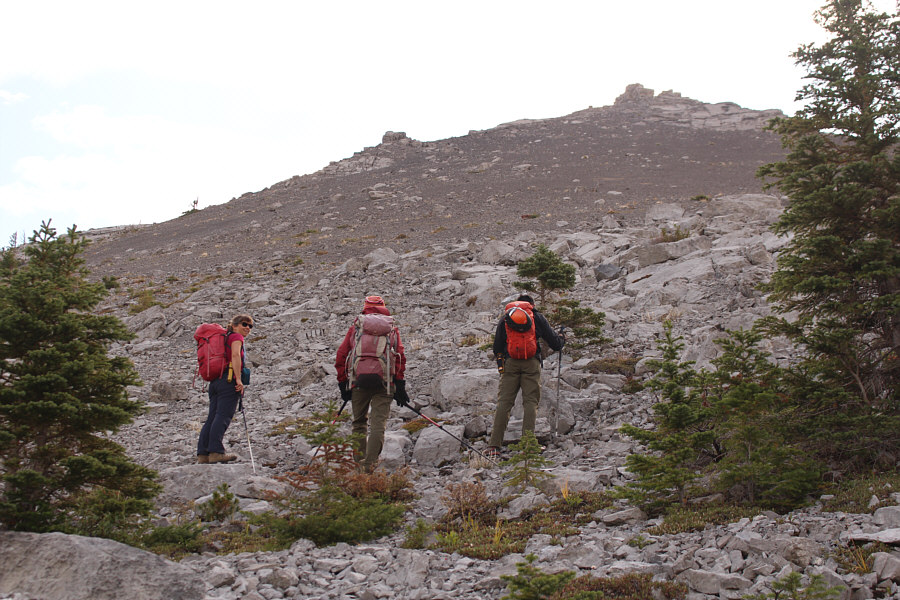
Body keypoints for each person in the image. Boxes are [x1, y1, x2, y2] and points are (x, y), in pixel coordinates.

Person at [335, 295, 409, 471]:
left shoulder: (357, 327)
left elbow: (341, 355)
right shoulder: (391, 329)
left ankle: (358, 466)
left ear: (365, 307)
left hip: (358, 382)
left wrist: (342, 383)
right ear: (383, 307)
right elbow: (400, 356)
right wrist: (399, 384)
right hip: (385, 383)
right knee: (378, 425)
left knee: (359, 422)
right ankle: (369, 468)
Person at [488, 294, 564, 456]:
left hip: (510, 364)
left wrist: (503, 360)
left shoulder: (506, 318)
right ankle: (528, 444)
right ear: (532, 304)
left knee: (504, 402)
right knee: (530, 402)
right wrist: (562, 339)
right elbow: (555, 343)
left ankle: (494, 445)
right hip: (532, 363)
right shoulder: (536, 317)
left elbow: (497, 347)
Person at [197, 314, 253, 464]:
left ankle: (203, 454)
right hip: (228, 380)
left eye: (250, 326)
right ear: (234, 325)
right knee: (223, 415)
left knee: (213, 416)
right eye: (244, 324)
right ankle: (215, 451)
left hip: (215, 382)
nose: (247, 328)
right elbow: (235, 356)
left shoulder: (225, 338)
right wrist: (238, 379)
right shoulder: (236, 337)